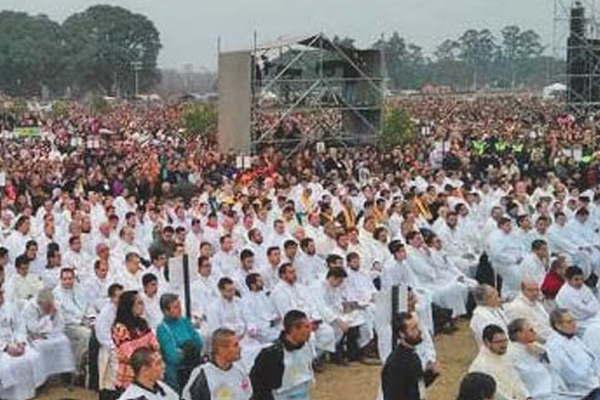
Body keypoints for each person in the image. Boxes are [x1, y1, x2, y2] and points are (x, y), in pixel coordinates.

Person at [250, 310, 315, 400]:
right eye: (306, 327)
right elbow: (258, 383)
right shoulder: (272, 354)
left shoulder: (305, 346)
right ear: (294, 329)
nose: (310, 330)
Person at [0, 285, 45, 400]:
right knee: (8, 364)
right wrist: (5, 347)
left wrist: (20, 342)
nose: (1, 297)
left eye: (1, 293)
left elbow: (19, 326)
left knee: (33, 357)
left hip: (14, 341)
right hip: (2, 347)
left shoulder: (10, 306)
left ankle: (28, 392)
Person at [381, 311, 439, 400]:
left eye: (417, 326)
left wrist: (430, 374)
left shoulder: (412, 354)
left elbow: (415, 387)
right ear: (402, 334)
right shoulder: (395, 365)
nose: (419, 331)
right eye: (413, 328)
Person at [182, 328, 252, 400]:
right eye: (235, 345)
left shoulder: (240, 371)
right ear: (221, 349)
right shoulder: (203, 374)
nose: (240, 348)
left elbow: (249, 396)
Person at [546, 308, 600, 398]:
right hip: (582, 391)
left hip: (594, 382)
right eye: (569, 322)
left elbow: (592, 359)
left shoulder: (573, 338)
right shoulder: (555, 346)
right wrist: (595, 381)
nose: (574, 324)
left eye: (574, 320)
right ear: (558, 325)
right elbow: (571, 374)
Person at [23, 288, 76, 380]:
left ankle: (65, 372)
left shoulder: (55, 305)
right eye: (46, 306)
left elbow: (60, 325)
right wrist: (49, 316)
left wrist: (52, 328)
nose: (48, 308)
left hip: (51, 333)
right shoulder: (30, 308)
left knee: (64, 341)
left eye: (49, 305)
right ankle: (43, 377)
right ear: (40, 304)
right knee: (40, 347)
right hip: (33, 336)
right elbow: (33, 328)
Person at [112, 290, 159, 392]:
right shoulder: (120, 328)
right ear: (129, 306)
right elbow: (130, 353)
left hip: (148, 368)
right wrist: (149, 357)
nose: (143, 306)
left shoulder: (142, 323)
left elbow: (153, 341)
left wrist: (157, 352)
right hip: (130, 375)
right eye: (139, 303)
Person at [156, 293, 204, 393]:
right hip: (177, 374)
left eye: (179, 305)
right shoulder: (163, 328)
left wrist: (183, 348)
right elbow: (173, 357)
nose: (180, 309)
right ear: (166, 311)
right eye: (176, 307)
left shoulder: (184, 321)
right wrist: (188, 348)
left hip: (193, 366)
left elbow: (199, 343)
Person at [468, 324, 530, 400]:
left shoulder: (503, 355)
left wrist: (527, 397)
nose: (504, 345)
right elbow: (496, 394)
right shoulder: (480, 366)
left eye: (505, 340)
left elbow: (515, 380)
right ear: (487, 342)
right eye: (499, 342)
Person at [506, 318, 554, 399]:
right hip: (540, 394)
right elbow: (521, 379)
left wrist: (543, 354)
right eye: (531, 330)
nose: (535, 332)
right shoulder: (512, 354)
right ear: (519, 334)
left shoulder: (535, 346)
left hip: (554, 388)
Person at [555, 266, 600, 334]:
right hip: (580, 322)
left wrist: (592, 307)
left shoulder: (582, 286)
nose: (580, 282)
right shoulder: (566, 293)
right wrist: (591, 307)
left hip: (593, 315)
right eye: (576, 279)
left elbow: (594, 300)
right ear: (567, 279)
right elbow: (581, 311)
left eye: (581, 279)